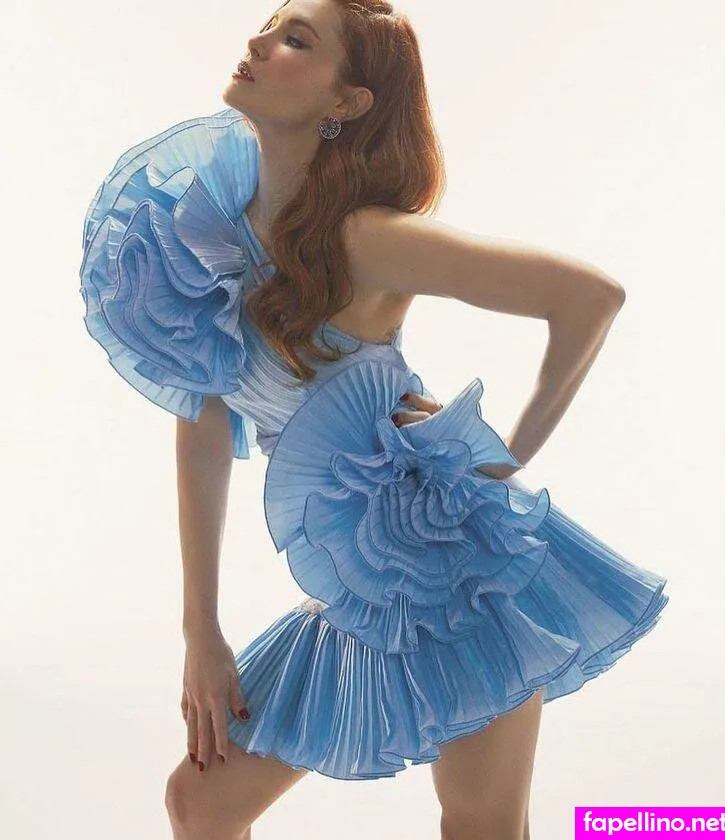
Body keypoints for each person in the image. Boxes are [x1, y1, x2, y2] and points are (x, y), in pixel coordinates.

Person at [78, 1, 670, 838]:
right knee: (200, 802)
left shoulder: (367, 240)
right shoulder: (207, 239)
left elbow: (589, 298)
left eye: (296, 38)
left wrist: (502, 456)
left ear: (346, 102)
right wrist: (199, 630)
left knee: (480, 825)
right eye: (271, 22)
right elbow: (202, 429)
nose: (259, 41)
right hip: (358, 586)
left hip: (459, 575)